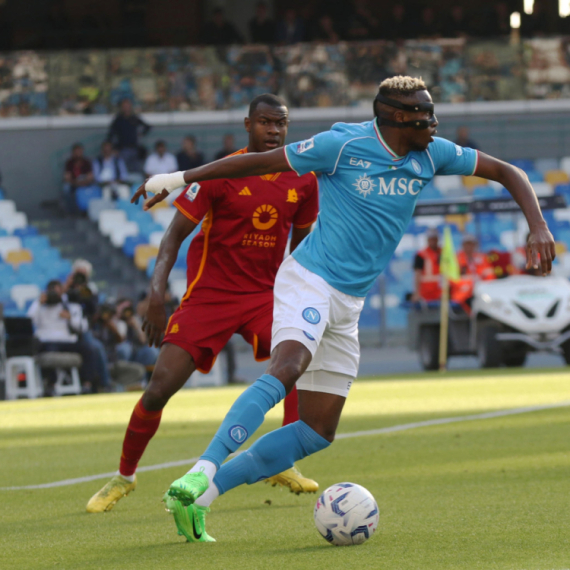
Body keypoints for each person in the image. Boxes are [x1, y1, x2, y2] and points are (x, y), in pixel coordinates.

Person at [132, 75, 555, 542]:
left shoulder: (433, 153)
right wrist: (179, 179)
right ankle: (203, 468)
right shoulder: (341, 145)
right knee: (288, 366)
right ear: (398, 118)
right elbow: (257, 162)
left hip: (349, 302)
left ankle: (201, 498)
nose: (435, 123)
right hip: (309, 279)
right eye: (425, 115)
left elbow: (507, 172)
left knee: (316, 431)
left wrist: (537, 226)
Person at [86, 93, 320, 515]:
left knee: (297, 363)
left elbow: (301, 249)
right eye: (265, 122)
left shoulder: (303, 179)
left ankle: (283, 461)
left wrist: (302, 299)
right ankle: (124, 476)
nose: (273, 130)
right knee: (159, 388)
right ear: (247, 125)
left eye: (280, 123)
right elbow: (173, 237)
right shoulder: (220, 173)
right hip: (210, 297)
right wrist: (155, 296)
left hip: (264, 296)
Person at [28, 280, 89, 395]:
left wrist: (70, 317)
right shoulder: (40, 307)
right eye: (52, 292)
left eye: (58, 292)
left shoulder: (70, 306)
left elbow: (83, 327)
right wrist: (38, 302)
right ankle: (50, 385)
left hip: (67, 341)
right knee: (49, 351)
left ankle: (86, 384)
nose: (55, 295)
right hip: (48, 342)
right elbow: (29, 320)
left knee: (88, 348)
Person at [107, 98, 151, 173]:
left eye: (128, 106)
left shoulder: (134, 118)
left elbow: (147, 127)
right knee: (124, 171)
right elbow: (111, 134)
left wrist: (141, 134)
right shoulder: (118, 120)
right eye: (124, 106)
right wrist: (113, 148)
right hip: (123, 149)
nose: (126, 108)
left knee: (136, 170)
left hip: (134, 149)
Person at [63, 143, 95, 214]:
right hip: (74, 183)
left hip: (85, 183)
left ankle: (89, 210)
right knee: (66, 188)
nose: (78, 154)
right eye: (76, 152)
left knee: (95, 187)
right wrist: (76, 183)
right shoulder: (69, 163)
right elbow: (67, 178)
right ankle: (72, 212)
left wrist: (84, 182)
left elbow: (90, 177)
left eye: (79, 151)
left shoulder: (87, 162)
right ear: (73, 153)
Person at [412, 228, 441, 302]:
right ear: (428, 239)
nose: (433, 241)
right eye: (431, 239)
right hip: (425, 292)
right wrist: (417, 293)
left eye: (435, 238)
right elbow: (417, 274)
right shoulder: (421, 255)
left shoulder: (443, 253)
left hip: (440, 292)